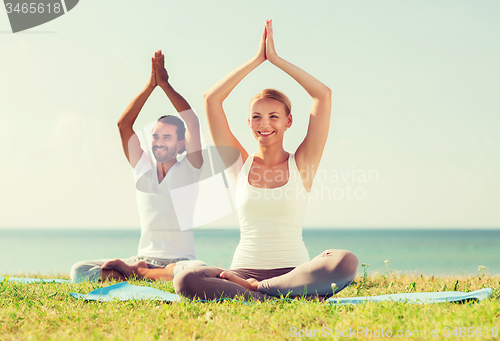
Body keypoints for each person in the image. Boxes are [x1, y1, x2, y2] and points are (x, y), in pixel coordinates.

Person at [174, 21, 358, 300]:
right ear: (248, 122)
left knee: (345, 260)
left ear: (288, 121)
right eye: (257, 117)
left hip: (294, 273)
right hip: (242, 272)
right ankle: (283, 296)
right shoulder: (239, 165)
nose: (265, 124)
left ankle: (261, 293)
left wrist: (276, 60)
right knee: (186, 278)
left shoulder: (302, 164)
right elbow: (212, 99)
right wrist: (256, 60)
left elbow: (323, 95)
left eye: (274, 116)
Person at [70, 50, 206, 283]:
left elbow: (192, 121)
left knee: (196, 271)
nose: (159, 142)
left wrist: (165, 85)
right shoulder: (142, 168)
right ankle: (145, 272)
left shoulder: (191, 168)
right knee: (79, 270)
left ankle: (138, 274)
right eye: (155, 137)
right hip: (142, 257)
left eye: (166, 137)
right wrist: (150, 86)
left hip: (180, 260)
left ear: (181, 143)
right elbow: (124, 125)